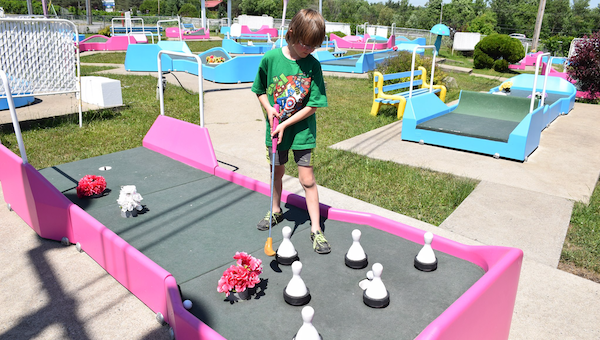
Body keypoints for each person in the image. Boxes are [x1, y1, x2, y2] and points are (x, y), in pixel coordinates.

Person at [251, 9, 331, 254]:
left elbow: (314, 104)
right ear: (291, 34)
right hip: (275, 132)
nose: (310, 50)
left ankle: (316, 229)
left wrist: (287, 123)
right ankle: (276, 211)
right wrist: (269, 110)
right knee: (277, 172)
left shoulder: (313, 66)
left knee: (307, 180)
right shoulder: (271, 59)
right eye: (306, 44)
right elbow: (260, 89)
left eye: (315, 46)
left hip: (302, 133)